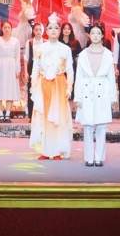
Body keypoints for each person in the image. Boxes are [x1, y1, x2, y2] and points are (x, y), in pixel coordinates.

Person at [29, 18, 75, 160]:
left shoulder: (65, 49)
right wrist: (33, 85)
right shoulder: (40, 48)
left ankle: (57, 151)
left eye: (56, 28)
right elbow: (35, 68)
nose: (53, 30)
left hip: (59, 84)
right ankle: (45, 150)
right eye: (50, 28)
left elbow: (70, 70)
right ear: (47, 31)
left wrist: (69, 87)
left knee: (58, 117)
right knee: (44, 117)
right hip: (44, 85)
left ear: (60, 31)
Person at [75, 24, 117, 167]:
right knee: (87, 126)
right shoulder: (83, 55)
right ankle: (89, 157)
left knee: (101, 126)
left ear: (102, 35)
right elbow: (79, 77)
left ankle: (99, 157)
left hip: (102, 91)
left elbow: (111, 77)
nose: (95, 36)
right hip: (87, 91)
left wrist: (113, 97)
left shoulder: (108, 55)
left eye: (98, 33)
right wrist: (77, 97)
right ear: (89, 35)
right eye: (93, 33)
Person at [0, 20, 22, 122]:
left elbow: (17, 57)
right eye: (5, 27)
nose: (7, 29)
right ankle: (0, 115)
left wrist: (17, 70)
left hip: (11, 67)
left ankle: (7, 114)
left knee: (10, 90)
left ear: (11, 29)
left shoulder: (15, 41)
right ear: (2, 29)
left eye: (8, 27)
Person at [21, 21, 46, 119]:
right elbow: (26, 58)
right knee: (32, 91)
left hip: (43, 69)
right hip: (32, 68)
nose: (38, 31)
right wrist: (26, 72)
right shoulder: (30, 42)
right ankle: (32, 115)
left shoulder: (46, 42)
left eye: (40, 29)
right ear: (33, 31)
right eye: (36, 30)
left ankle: (42, 115)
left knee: (43, 91)